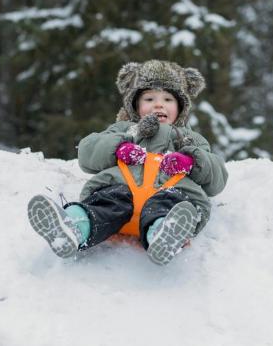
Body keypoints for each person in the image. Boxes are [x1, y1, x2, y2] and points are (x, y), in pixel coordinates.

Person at [27, 60, 228, 265]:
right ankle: (72, 227)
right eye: (149, 98)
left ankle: (164, 233)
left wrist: (192, 161)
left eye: (168, 99)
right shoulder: (125, 129)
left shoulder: (190, 139)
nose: (159, 104)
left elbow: (217, 180)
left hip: (170, 192)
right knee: (105, 204)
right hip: (121, 188)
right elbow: (87, 154)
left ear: (181, 107)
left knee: (168, 205)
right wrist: (118, 147)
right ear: (135, 105)